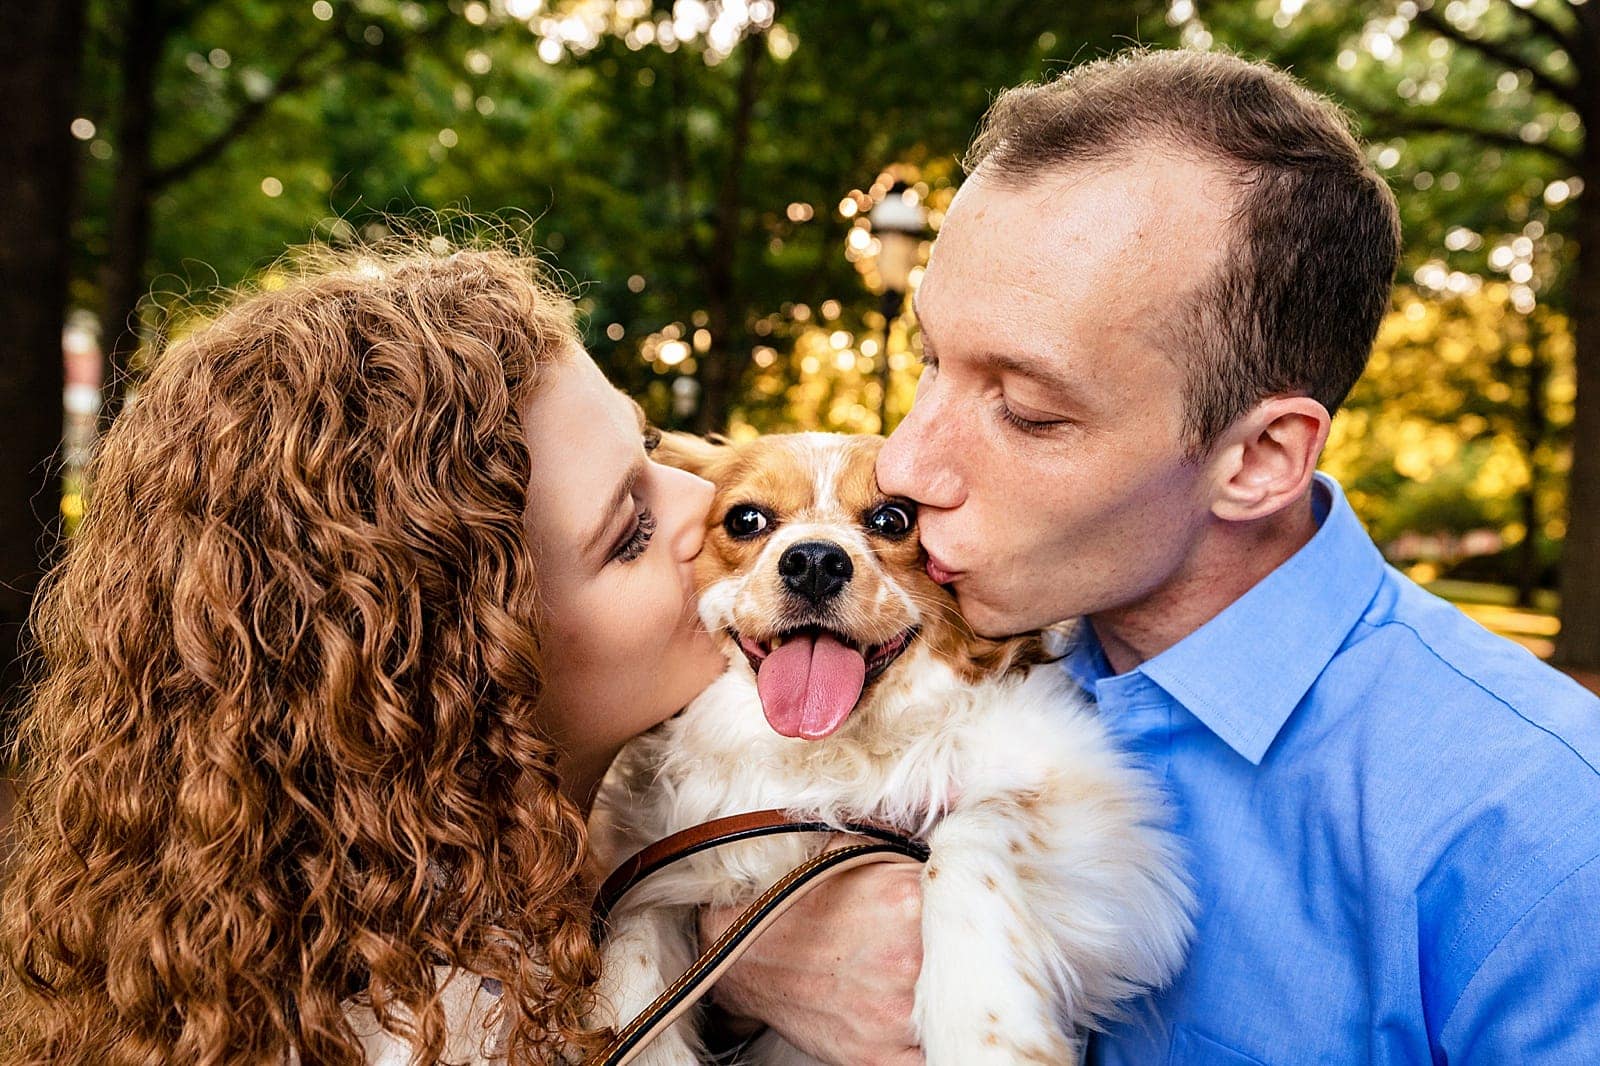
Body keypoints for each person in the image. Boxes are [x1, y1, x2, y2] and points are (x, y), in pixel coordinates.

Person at [708, 48, 1600, 1063]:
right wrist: (746, 963)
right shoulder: (927, 652)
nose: (905, 465)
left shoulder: (1544, 836)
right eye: (930, 362)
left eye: (1028, 410)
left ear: (1258, 459)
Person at [0, 242, 727, 1064]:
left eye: (653, 447)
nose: (711, 499)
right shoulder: (439, 1034)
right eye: (628, 531)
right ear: (459, 674)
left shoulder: (573, 881)